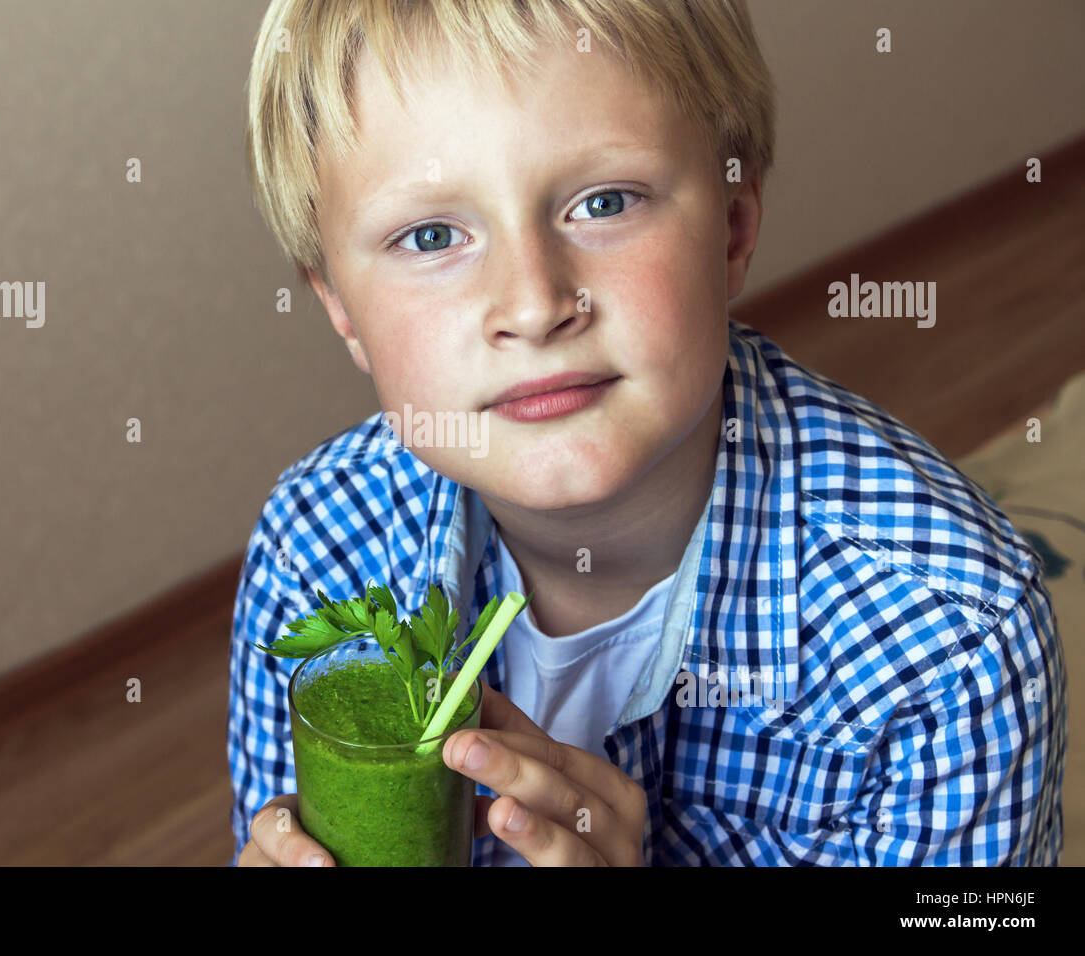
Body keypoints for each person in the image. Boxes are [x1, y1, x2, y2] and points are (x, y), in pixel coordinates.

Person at [229, 0, 1066, 866]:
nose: (534, 304)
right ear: (338, 306)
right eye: (432, 234)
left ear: (734, 228)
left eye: (604, 201)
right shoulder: (314, 548)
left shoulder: (948, 646)